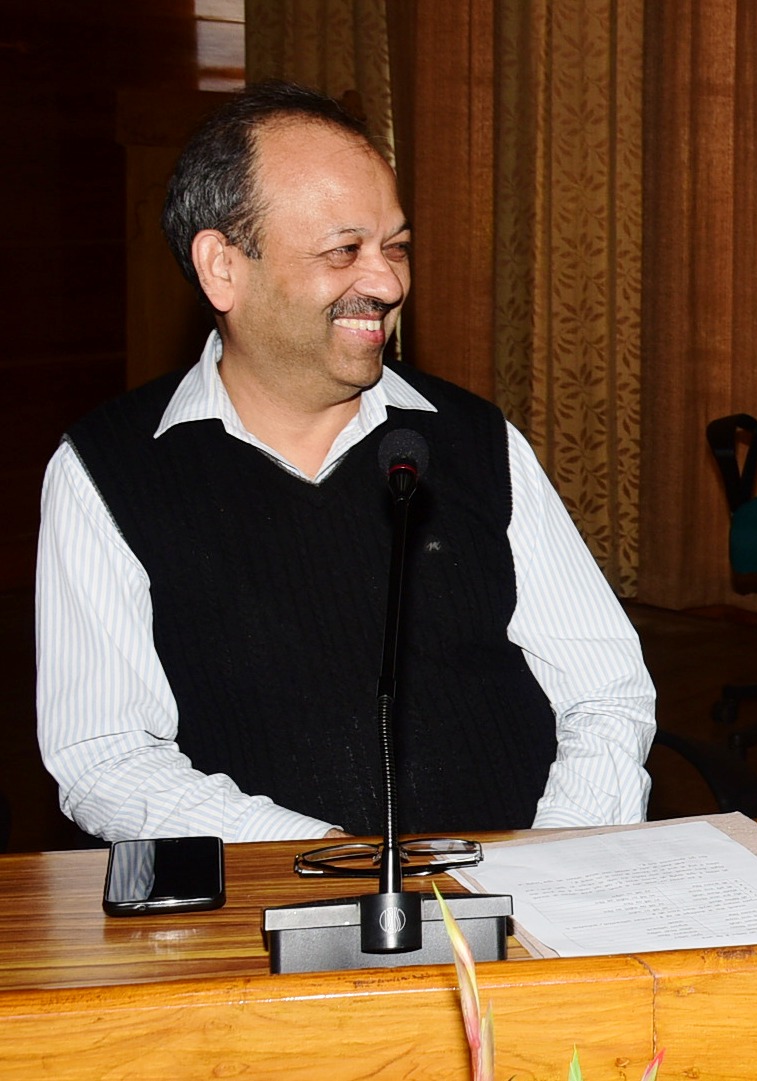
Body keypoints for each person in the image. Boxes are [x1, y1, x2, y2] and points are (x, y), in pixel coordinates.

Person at [36, 82, 657, 843]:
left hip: (522, 882)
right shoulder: (106, 471)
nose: (388, 283)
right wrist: (330, 864)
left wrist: (554, 857)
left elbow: (605, 692)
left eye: (396, 247)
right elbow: (106, 757)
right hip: (277, 901)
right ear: (222, 266)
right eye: (344, 251)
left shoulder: (473, 439)